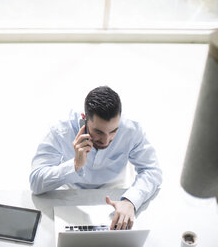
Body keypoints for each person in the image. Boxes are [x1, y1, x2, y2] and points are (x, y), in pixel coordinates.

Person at [29, 86, 162, 230]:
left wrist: (130, 201)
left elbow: (152, 171)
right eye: (98, 132)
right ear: (84, 118)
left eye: (113, 131)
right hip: (71, 194)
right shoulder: (61, 130)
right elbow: (36, 182)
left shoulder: (132, 130)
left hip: (115, 193)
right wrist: (74, 165)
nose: (106, 140)